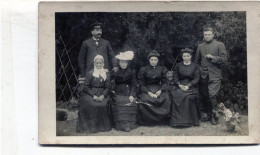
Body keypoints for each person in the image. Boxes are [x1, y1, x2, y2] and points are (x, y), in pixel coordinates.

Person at [194, 26, 228, 125]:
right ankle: (206, 114)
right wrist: (199, 70)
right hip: (203, 75)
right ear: (203, 35)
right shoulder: (200, 46)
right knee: (204, 95)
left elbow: (224, 59)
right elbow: (196, 61)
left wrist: (213, 57)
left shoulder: (219, 44)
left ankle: (214, 116)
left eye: (209, 34)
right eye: (205, 35)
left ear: (213, 35)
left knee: (212, 95)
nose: (207, 36)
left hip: (215, 75)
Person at [77, 55, 112, 133]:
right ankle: (90, 127)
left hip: (103, 93)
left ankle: (102, 127)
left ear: (103, 63)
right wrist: (93, 95)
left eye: (100, 63)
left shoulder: (106, 74)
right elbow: (86, 87)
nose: (99, 65)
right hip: (91, 93)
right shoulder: (90, 73)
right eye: (97, 63)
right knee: (90, 104)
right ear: (94, 64)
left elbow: (108, 87)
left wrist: (103, 95)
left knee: (102, 105)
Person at [137, 50, 171, 125]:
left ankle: (162, 120)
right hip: (147, 89)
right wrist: (149, 93)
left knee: (166, 98)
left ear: (157, 60)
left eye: (155, 60)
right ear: (149, 60)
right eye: (151, 60)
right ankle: (148, 121)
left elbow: (165, 82)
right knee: (145, 99)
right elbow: (141, 84)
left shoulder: (162, 69)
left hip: (158, 88)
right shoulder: (143, 69)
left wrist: (160, 90)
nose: (153, 61)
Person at [169, 48, 200, 127]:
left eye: (188, 56)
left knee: (187, 96)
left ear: (191, 56)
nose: (186, 58)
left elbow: (196, 78)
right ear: (182, 57)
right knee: (177, 95)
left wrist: (188, 86)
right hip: (179, 85)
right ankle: (177, 121)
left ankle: (188, 121)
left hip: (191, 86)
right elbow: (175, 78)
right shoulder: (178, 65)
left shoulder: (195, 66)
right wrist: (179, 84)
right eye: (184, 56)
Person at [110, 51, 138, 132]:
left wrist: (132, 94)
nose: (123, 64)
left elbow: (134, 84)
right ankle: (122, 125)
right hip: (118, 92)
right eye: (122, 62)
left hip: (128, 91)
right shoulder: (115, 71)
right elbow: (108, 82)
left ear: (127, 63)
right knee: (120, 102)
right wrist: (112, 91)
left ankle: (129, 124)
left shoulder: (131, 71)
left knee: (130, 101)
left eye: (125, 62)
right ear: (119, 62)